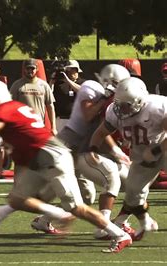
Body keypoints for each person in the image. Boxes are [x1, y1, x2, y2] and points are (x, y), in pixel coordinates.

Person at [0, 85, 133, 253]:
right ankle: (15, 213)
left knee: (77, 208)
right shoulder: (16, 108)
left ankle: (120, 234)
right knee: (17, 198)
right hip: (41, 155)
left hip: (52, 156)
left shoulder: (3, 110)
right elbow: (23, 147)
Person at [31, 64, 132, 238]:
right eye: (118, 83)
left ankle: (43, 219)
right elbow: (90, 116)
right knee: (67, 189)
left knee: (86, 196)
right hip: (71, 146)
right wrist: (116, 150)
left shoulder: (107, 95)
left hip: (83, 148)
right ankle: (105, 226)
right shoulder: (94, 89)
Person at [89, 77, 162, 242]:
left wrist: (156, 149)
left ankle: (126, 222)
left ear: (139, 101)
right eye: (119, 103)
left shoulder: (158, 107)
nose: (121, 108)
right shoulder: (115, 111)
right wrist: (93, 148)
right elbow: (101, 132)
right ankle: (143, 223)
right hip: (142, 152)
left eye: (126, 105)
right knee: (133, 192)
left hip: (163, 146)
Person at [10, 58, 57, 135]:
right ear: (24, 69)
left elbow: (50, 106)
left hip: (39, 125)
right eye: (28, 68)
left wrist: (53, 127)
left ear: (37, 69)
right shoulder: (17, 85)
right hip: (22, 127)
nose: (30, 71)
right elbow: (10, 107)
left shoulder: (44, 85)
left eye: (32, 68)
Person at [50, 60, 85, 131]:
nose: (70, 72)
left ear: (77, 70)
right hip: (61, 119)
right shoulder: (60, 83)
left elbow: (82, 91)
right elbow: (49, 95)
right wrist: (52, 82)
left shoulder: (83, 82)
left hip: (76, 120)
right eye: (68, 70)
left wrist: (68, 81)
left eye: (73, 69)